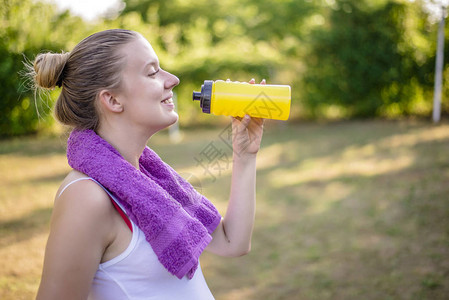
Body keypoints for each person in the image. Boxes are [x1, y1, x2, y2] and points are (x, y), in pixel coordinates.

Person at [29, 29, 265, 299]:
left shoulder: (149, 179)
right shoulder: (86, 197)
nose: (173, 80)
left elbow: (232, 242)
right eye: (153, 72)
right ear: (113, 100)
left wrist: (245, 154)